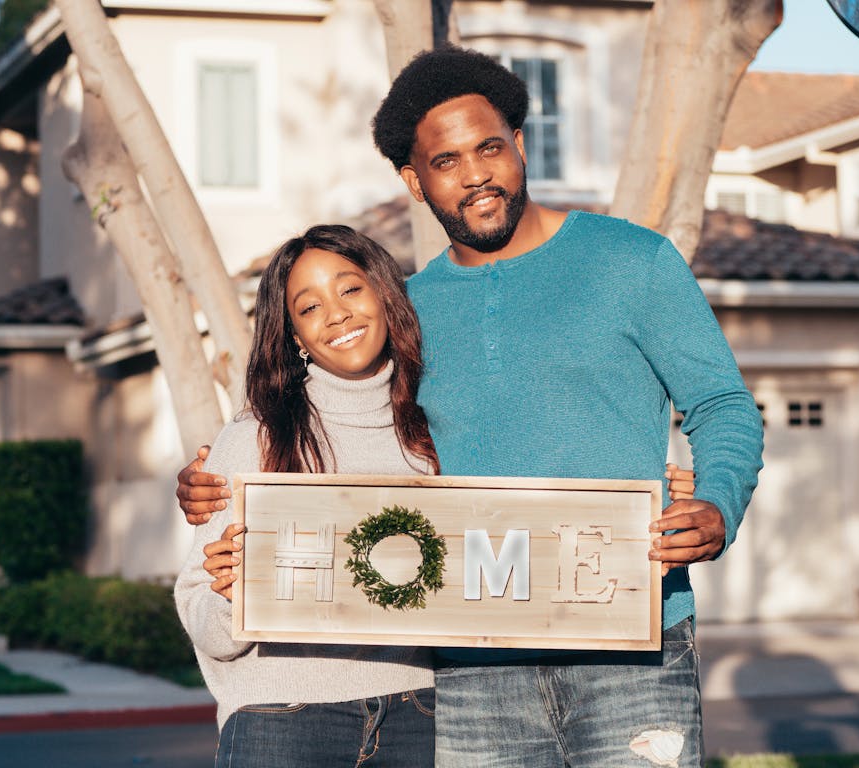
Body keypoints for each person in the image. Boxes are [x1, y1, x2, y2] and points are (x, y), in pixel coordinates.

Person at [178, 46, 761, 768]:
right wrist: (218, 479)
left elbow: (723, 403)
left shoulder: (633, 262)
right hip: (469, 665)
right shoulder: (407, 311)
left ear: (519, 143)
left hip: (632, 641)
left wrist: (715, 502)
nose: (476, 173)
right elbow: (327, 408)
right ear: (414, 181)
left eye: (489, 147)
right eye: (446, 161)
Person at [174, 225, 439, 768]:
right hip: (282, 718)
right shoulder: (257, 435)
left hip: (420, 715)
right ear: (294, 334)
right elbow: (204, 615)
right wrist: (229, 595)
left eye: (350, 289)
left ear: (386, 296)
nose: (336, 314)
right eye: (309, 306)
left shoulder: (436, 433)